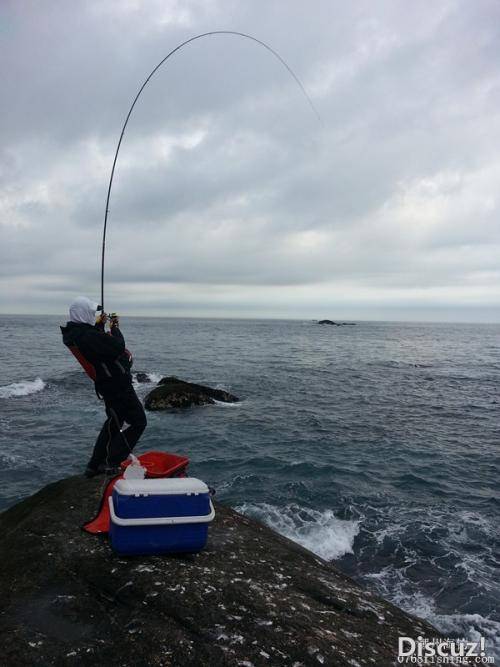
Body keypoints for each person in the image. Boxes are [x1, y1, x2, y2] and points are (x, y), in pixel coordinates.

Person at [61, 296, 147, 477]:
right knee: (139, 422)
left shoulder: (78, 333)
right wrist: (115, 328)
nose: (94, 315)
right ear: (83, 314)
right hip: (117, 386)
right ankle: (110, 462)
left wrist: (100, 325)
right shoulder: (87, 336)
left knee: (114, 424)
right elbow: (117, 346)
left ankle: (95, 465)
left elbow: (99, 344)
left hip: (108, 384)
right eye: (92, 312)